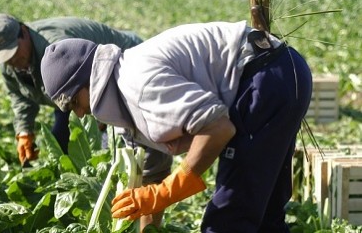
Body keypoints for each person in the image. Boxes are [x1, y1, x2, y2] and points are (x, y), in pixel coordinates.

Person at [39, 21, 312, 232]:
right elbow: (153, 179)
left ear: (90, 81)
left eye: (74, 102)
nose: (80, 113)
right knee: (264, 216)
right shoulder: (124, 110)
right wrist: (151, 218)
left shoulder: (138, 83)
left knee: (228, 219)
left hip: (266, 79)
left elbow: (218, 129)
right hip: (280, 74)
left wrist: (168, 191)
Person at [0, 13, 153, 167]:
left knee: (113, 145)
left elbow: (95, 84)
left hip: (121, 68)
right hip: (74, 92)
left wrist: (101, 118)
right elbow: (20, 96)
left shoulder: (55, 48)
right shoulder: (10, 64)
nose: (11, 60)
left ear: (24, 32)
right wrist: (24, 131)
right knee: (60, 139)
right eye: (4, 57)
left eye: (14, 52)